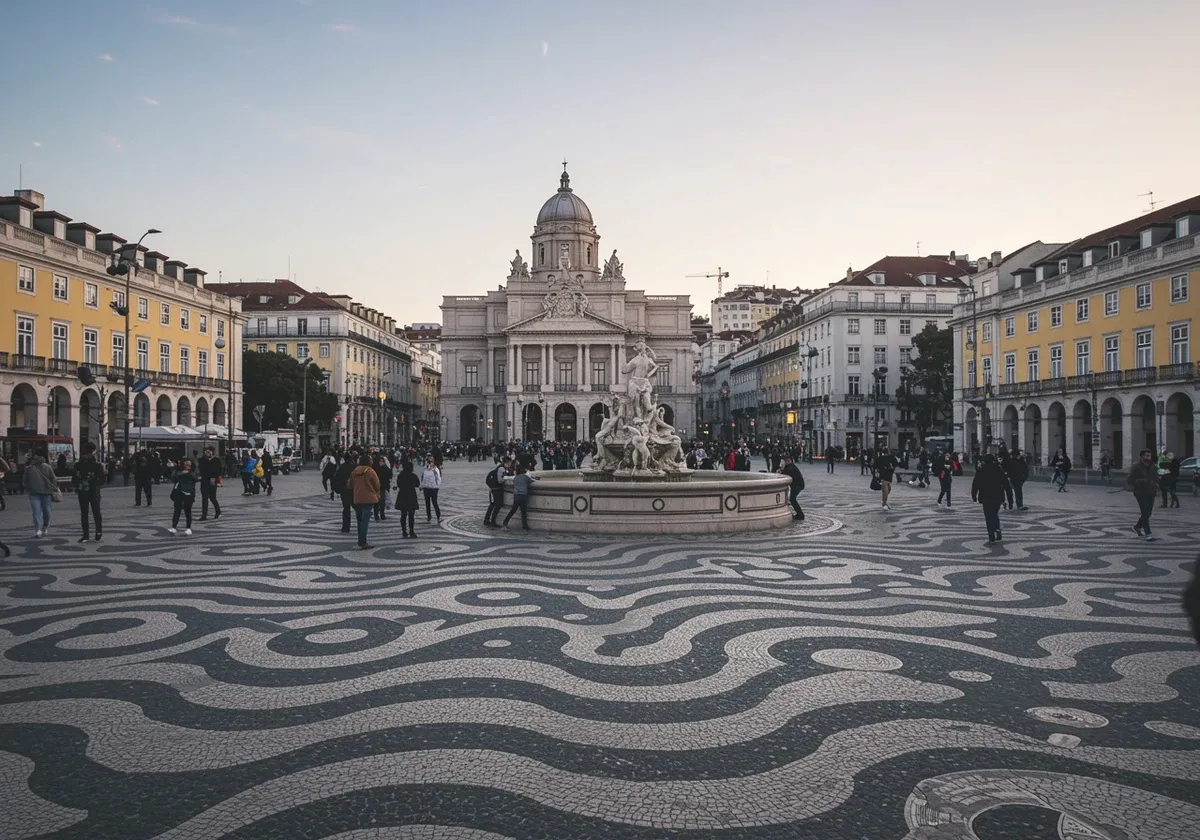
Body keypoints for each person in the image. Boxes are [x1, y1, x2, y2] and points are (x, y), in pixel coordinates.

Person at [971, 453, 1012, 544]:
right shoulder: (998, 469)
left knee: (988, 515)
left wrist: (974, 495)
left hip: (986, 496)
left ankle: (991, 534)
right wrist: (1010, 498)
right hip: (998, 496)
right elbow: (1006, 484)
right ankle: (997, 528)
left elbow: (975, 483)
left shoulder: (981, 470)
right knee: (994, 513)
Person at [1126, 448, 1160, 542]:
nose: (1148, 457)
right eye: (1146, 455)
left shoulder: (1153, 465)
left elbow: (1155, 477)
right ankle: (1148, 534)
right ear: (1141, 456)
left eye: (1149, 455)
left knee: (1148, 513)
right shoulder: (1136, 466)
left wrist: (1157, 484)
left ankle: (1137, 527)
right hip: (1140, 492)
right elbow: (1129, 480)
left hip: (1151, 492)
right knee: (1145, 512)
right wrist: (1140, 481)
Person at [347, 453, 380, 549]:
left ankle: (360, 541)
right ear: (368, 461)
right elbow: (377, 484)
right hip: (369, 498)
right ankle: (363, 542)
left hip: (357, 498)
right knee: (365, 520)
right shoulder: (371, 471)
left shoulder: (354, 472)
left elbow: (349, 485)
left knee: (359, 520)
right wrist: (376, 492)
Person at [73, 442, 105, 543]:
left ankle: (95, 532)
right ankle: (87, 534)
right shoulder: (80, 465)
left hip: (90, 491)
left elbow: (103, 479)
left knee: (93, 512)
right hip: (87, 491)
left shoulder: (96, 465)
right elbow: (74, 479)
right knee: (88, 513)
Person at [23, 453, 58, 538]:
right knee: (47, 511)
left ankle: (38, 530)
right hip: (46, 493)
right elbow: (53, 479)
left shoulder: (28, 469)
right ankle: (44, 527)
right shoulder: (48, 467)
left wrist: (28, 489)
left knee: (36, 512)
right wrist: (53, 488)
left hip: (34, 493)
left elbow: (24, 481)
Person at [168, 458, 198, 535]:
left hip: (189, 492)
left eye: (189, 465)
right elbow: (173, 478)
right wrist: (181, 473)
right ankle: (174, 527)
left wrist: (188, 473)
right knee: (177, 510)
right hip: (179, 491)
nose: (188, 466)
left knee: (187, 511)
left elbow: (196, 478)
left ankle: (188, 528)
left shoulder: (193, 471)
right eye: (186, 464)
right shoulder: (178, 470)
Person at [502, 464, 537, 529]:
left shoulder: (516, 477)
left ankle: (505, 522)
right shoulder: (526, 477)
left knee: (513, 510)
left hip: (516, 495)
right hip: (523, 496)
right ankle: (525, 525)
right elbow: (533, 481)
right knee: (523, 511)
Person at [484, 456, 513, 526]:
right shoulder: (502, 469)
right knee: (498, 505)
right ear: (508, 462)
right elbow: (500, 480)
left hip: (494, 488)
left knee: (493, 504)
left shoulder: (501, 467)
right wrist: (507, 478)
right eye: (510, 462)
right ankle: (492, 521)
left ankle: (487, 520)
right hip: (497, 489)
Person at [395, 459, 420, 538]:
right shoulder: (413, 476)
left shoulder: (400, 475)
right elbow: (417, 484)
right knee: (411, 515)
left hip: (402, 495)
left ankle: (404, 531)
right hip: (411, 496)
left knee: (403, 514)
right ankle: (411, 531)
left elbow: (398, 484)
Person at [198, 446, 222, 521]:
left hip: (212, 480)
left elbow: (219, 470)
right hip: (204, 480)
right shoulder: (201, 460)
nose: (208, 453)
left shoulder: (216, 460)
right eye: (206, 451)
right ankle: (204, 515)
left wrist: (217, 479)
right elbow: (201, 469)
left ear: (212, 452)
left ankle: (218, 512)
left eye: (209, 451)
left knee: (212, 498)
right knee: (204, 498)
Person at [333, 456, 356, 534]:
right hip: (353, 491)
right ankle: (361, 524)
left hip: (344, 491)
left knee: (346, 508)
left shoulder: (342, 468)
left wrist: (338, 490)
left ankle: (345, 527)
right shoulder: (355, 467)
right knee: (357, 508)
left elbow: (336, 479)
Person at [780, 455, 805, 520]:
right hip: (797, 485)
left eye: (787, 461)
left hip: (797, 485)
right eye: (785, 461)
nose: (785, 462)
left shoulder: (790, 467)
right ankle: (799, 514)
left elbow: (783, 474)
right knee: (792, 499)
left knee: (792, 499)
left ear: (789, 461)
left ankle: (800, 515)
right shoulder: (791, 466)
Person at [874, 446, 898, 511]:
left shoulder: (879, 458)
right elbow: (896, 464)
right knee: (886, 491)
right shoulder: (891, 458)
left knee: (887, 490)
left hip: (884, 476)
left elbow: (875, 466)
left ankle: (885, 502)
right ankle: (884, 504)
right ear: (888, 451)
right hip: (887, 477)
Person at [420, 455, 442, 523]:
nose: (430, 462)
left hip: (433, 488)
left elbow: (439, 478)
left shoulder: (436, 469)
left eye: (431, 461)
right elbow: (423, 478)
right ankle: (429, 517)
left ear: (434, 461)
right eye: (429, 461)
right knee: (427, 504)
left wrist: (437, 486)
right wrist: (422, 486)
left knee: (434, 503)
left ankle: (438, 517)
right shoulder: (425, 469)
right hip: (426, 488)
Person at [373, 454, 393, 521]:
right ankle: (376, 515)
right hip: (377, 487)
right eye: (380, 461)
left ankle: (382, 514)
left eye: (382, 461)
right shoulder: (375, 469)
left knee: (382, 502)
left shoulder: (386, 468)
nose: (381, 462)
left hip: (383, 487)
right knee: (376, 502)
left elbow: (390, 475)